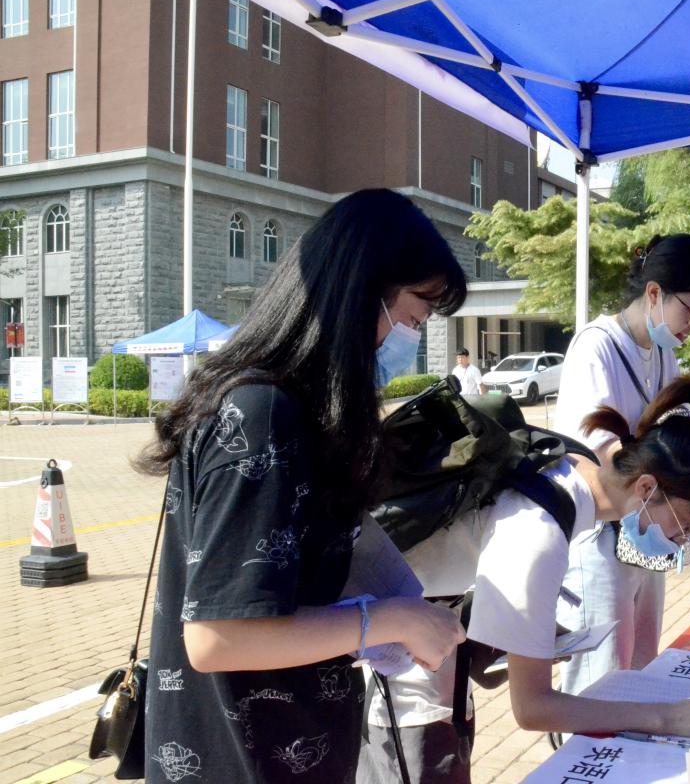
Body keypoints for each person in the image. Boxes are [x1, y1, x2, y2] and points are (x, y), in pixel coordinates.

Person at [135, 189, 469, 784]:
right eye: (414, 318)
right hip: (240, 762)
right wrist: (389, 620)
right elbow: (217, 637)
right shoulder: (261, 413)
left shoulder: (295, 412)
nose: (412, 338)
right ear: (358, 293)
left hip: (292, 748)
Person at [360, 376, 690, 783]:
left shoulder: (575, 464)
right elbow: (533, 709)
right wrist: (672, 717)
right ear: (647, 486)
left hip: (426, 649)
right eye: (686, 525)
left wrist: (535, 633)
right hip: (403, 684)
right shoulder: (539, 533)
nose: (684, 541)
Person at [551, 234, 690, 697]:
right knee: (600, 679)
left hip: (646, 526)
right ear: (655, 293)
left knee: (640, 665)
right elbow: (603, 454)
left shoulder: (662, 352)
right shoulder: (597, 346)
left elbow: (665, 431)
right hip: (602, 533)